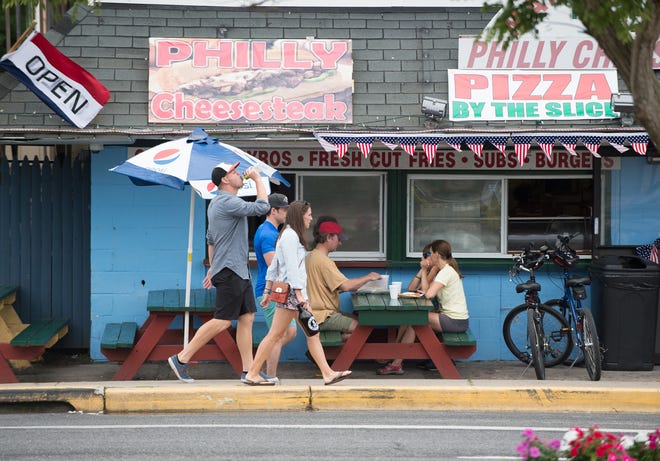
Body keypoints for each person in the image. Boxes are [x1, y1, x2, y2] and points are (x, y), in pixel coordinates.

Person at [168, 161, 270, 383]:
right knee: (223, 321)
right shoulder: (227, 201)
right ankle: (181, 358)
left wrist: (213, 267)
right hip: (231, 270)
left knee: (247, 318)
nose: (239, 174)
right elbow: (262, 207)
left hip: (235, 270)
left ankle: (248, 371)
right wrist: (257, 179)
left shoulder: (218, 203)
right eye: (234, 172)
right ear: (225, 179)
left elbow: (211, 240)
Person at [244, 201, 352, 385]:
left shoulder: (287, 235)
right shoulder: (290, 237)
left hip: (290, 294)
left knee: (310, 333)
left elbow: (274, 266)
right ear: (299, 216)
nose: (311, 218)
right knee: (279, 335)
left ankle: (327, 373)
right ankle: (252, 373)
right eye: (308, 214)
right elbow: (292, 269)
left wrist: (269, 291)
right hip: (293, 296)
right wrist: (300, 297)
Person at [377, 239, 469, 375]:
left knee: (415, 320)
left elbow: (428, 294)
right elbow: (426, 291)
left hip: (455, 321)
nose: (429, 256)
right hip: (452, 319)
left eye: (430, 253)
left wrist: (424, 271)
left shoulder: (446, 272)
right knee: (413, 320)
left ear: (437, 254)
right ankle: (396, 359)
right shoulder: (445, 270)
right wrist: (424, 271)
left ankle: (396, 361)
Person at [306, 216, 382, 342]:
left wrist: (359, 283)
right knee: (362, 328)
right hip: (323, 316)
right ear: (329, 237)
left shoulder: (311, 257)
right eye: (338, 239)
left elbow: (332, 286)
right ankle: (321, 344)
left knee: (360, 320)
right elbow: (346, 286)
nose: (340, 243)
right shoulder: (324, 261)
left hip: (315, 313)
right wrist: (369, 277)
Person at [254, 193, 297, 377]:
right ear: (273, 211)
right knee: (277, 334)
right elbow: (274, 266)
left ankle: (262, 371)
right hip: (271, 290)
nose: (287, 212)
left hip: (278, 290)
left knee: (289, 332)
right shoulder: (267, 233)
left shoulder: (272, 232)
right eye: (284, 209)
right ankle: (267, 374)